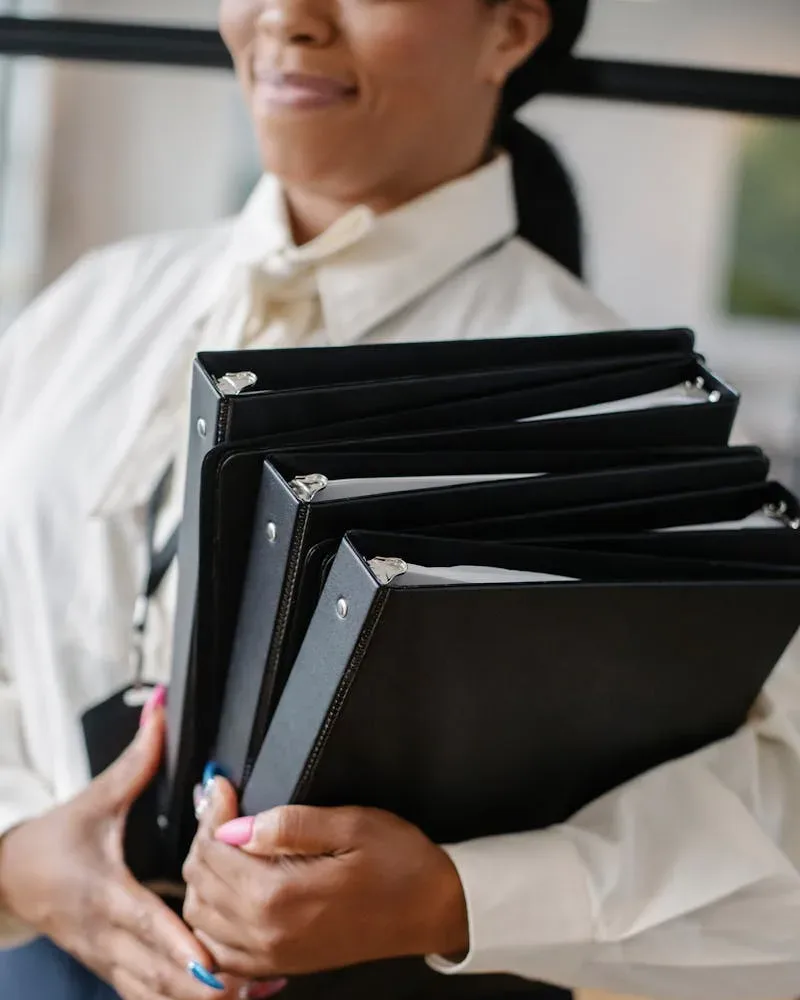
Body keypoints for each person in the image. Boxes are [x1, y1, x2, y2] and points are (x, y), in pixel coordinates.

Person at [1, 3, 799, 1000]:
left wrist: (454, 897)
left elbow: (781, 841)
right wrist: (19, 856)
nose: (286, 15)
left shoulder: (623, 420)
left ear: (509, 29)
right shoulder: (89, 310)